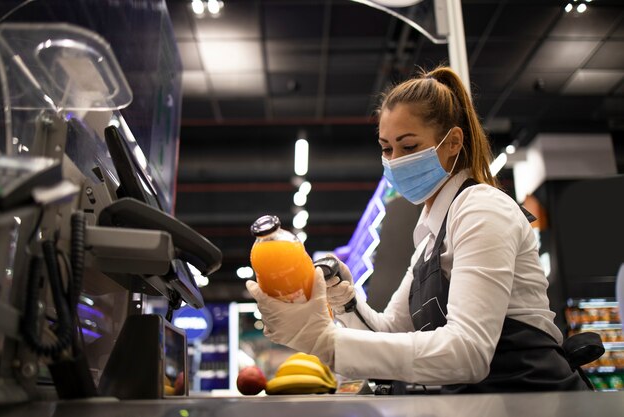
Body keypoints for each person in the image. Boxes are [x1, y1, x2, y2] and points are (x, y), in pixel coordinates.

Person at [246, 66, 588, 393]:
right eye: (386, 148)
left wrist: (325, 342)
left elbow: (468, 352)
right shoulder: (429, 237)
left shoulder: (481, 208)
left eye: (409, 147)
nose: (395, 160)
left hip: (533, 400)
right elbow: (389, 331)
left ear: (453, 142)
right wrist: (346, 301)